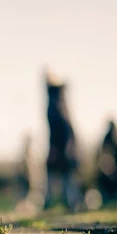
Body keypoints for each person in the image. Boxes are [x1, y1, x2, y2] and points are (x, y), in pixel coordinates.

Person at [42, 69, 82, 212]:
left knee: (66, 178)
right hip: (64, 148)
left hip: (65, 149)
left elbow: (64, 128)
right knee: (64, 177)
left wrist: (60, 149)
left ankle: (70, 205)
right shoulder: (57, 99)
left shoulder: (56, 101)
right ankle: (64, 204)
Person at [95, 119, 117, 209]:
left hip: (112, 167)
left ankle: (114, 202)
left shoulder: (112, 137)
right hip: (109, 167)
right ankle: (112, 202)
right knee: (110, 187)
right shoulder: (114, 137)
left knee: (112, 187)